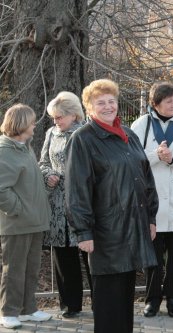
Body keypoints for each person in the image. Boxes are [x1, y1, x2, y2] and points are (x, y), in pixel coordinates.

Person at [65, 79, 158, 333]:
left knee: (125, 302)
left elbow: (145, 178)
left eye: (111, 101)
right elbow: (76, 189)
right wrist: (83, 231)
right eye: (100, 103)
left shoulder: (129, 135)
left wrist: (151, 218)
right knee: (108, 304)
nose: (108, 106)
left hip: (133, 228)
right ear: (89, 108)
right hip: (105, 234)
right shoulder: (82, 139)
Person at [131, 82, 173, 318]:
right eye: (168, 101)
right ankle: (152, 299)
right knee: (153, 254)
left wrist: (171, 159)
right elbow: (132, 159)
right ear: (155, 104)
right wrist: (156, 156)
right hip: (151, 198)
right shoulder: (141, 125)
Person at [39, 92, 91, 318]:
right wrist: (48, 174)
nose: (55, 121)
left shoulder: (86, 133)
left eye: (59, 117)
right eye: (53, 117)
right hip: (58, 205)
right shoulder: (51, 133)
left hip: (83, 201)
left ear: (73, 115)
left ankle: (102, 302)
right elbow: (42, 162)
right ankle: (69, 305)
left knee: (90, 255)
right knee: (63, 256)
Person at [0, 104, 52, 329]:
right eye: (31, 122)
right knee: (14, 269)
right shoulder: (5, 150)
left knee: (30, 269)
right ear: (21, 124)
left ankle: (27, 309)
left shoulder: (24, 147)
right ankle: (9, 312)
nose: (34, 125)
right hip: (17, 223)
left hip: (34, 222)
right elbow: (1, 189)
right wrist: (18, 210)